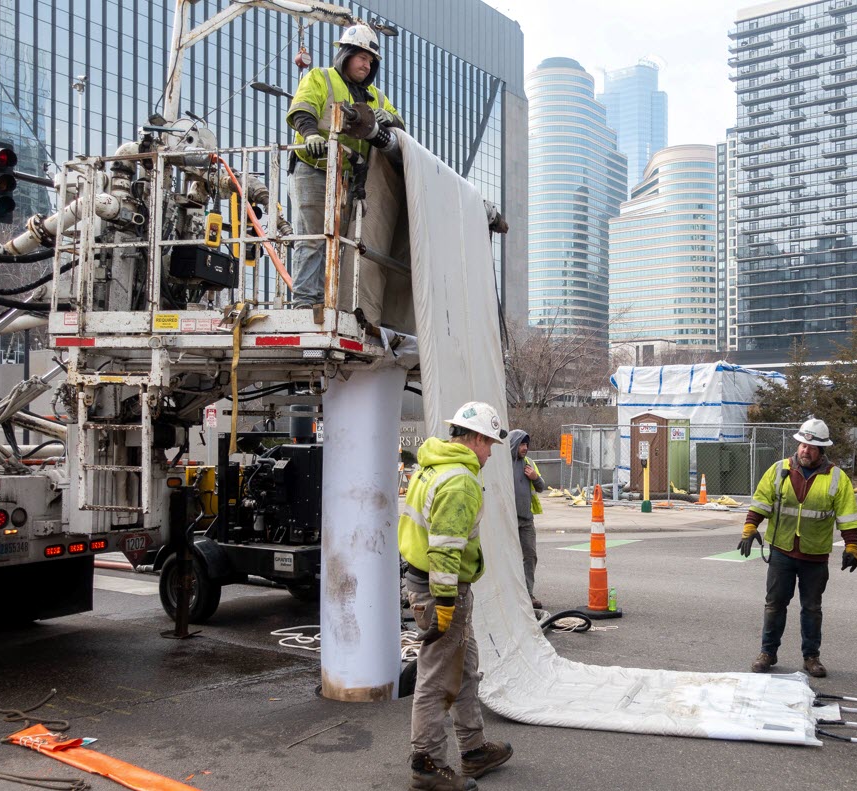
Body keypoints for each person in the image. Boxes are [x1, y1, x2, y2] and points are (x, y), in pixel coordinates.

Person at [398, 402, 514, 791]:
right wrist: (446, 603)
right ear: (476, 438)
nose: (492, 452)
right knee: (436, 679)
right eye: (491, 444)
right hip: (441, 591)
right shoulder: (460, 479)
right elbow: (446, 548)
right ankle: (426, 765)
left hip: (424, 585)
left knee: (463, 669)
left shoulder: (430, 466)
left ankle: (474, 749)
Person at [285, 24, 404, 311]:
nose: (366, 64)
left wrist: (387, 116)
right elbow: (303, 108)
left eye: (371, 60)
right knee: (314, 238)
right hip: (314, 169)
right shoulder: (321, 77)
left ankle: (327, 304)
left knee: (339, 244)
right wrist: (311, 134)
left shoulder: (375, 96)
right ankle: (305, 304)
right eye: (361, 57)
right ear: (346, 54)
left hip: (349, 179)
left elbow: (401, 128)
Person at [738, 417, 857, 678]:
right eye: (802, 445)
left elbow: (847, 515)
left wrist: (852, 546)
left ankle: (811, 657)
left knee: (812, 609)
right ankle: (767, 653)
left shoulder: (837, 478)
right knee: (774, 605)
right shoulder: (779, 470)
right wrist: (750, 528)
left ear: (821, 450)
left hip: (814, 555)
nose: (805, 450)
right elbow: (761, 501)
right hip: (782, 550)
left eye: (811, 447)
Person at [508, 429, 546, 609]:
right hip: (507, 521)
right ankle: (507, 594)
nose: (525, 448)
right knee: (507, 558)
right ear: (514, 444)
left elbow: (541, 487)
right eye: (522, 444)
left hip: (526, 520)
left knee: (530, 555)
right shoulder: (503, 465)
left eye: (526, 444)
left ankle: (527, 594)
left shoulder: (529, 464)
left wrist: (535, 477)